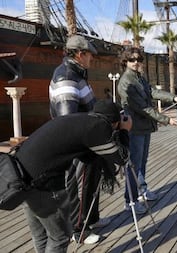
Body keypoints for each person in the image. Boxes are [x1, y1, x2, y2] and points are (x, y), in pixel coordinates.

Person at [15, 100, 131, 253]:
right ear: (114, 122)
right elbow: (122, 159)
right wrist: (124, 131)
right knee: (60, 237)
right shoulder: (99, 127)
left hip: (21, 175)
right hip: (43, 184)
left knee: (41, 234)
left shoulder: (82, 120)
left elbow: (85, 156)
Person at [49, 35, 108, 244]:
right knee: (77, 185)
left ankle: (91, 218)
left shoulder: (77, 73)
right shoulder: (66, 76)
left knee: (91, 180)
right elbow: (68, 121)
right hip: (77, 146)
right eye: (90, 54)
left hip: (88, 143)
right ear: (80, 54)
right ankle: (78, 230)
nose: (92, 58)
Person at [117, 47, 177, 213]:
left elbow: (152, 92)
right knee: (134, 165)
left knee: (142, 162)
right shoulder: (126, 82)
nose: (136, 62)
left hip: (144, 127)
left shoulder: (139, 77)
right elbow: (142, 108)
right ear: (125, 61)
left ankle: (142, 190)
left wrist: (173, 97)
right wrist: (167, 120)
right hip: (135, 128)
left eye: (139, 59)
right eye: (132, 60)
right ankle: (130, 201)